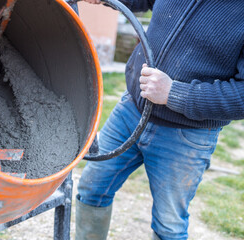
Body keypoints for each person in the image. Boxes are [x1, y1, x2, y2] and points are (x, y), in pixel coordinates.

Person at [76, 0, 244, 240]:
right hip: (130, 110)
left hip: (186, 136)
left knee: (169, 226)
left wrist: (175, 94)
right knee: (91, 190)